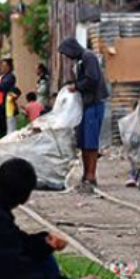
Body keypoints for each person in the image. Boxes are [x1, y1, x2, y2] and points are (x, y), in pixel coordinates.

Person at [57, 38, 109, 191]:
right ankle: (86, 174)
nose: (68, 57)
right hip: (86, 105)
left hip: (94, 103)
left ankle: (91, 175)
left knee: (91, 142)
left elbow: (92, 79)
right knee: (84, 141)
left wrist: (77, 86)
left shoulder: (88, 57)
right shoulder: (81, 60)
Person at [0, 58, 17, 139]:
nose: (2, 67)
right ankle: (1, 137)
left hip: (4, 103)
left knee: (5, 123)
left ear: (9, 67)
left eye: (5, 66)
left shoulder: (10, 77)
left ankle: (6, 138)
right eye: (1, 65)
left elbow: (2, 86)